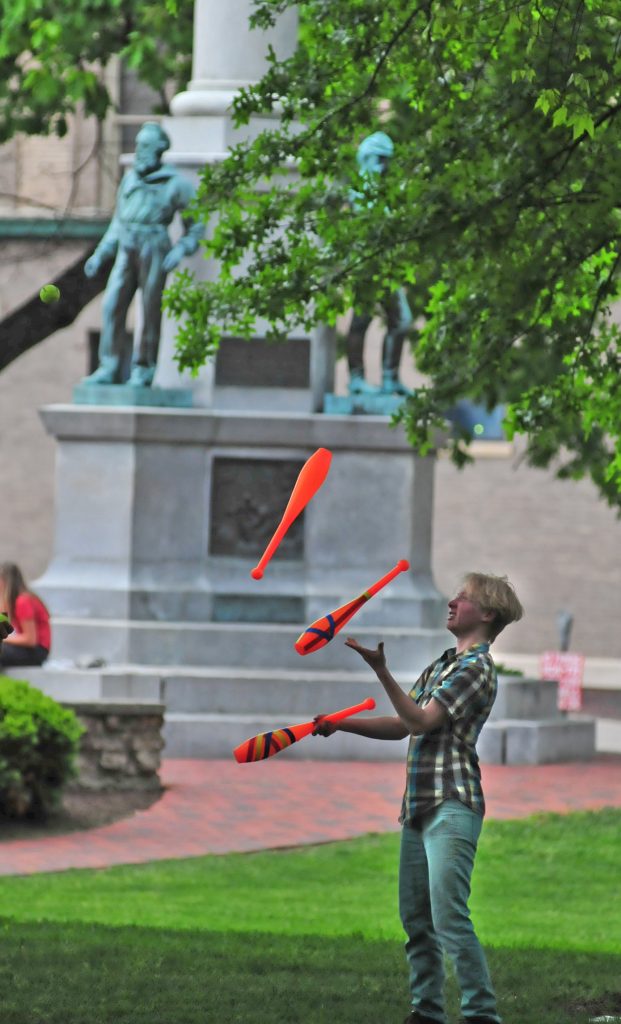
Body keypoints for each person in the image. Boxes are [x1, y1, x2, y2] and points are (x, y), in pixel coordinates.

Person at [313, 572, 524, 1024]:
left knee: (448, 916)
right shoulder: (443, 664)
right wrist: (339, 723)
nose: (451, 602)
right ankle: (426, 1011)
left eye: (462, 599)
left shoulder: (476, 668)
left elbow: (420, 722)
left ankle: (481, 1014)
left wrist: (381, 671)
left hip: (452, 803)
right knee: (416, 920)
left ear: (486, 614)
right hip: (418, 806)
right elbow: (399, 723)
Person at [83, 121, 204, 388]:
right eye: (138, 145)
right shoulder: (129, 180)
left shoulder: (176, 185)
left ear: (159, 150)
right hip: (127, 245)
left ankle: (144, 369)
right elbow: (117, 223)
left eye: (145, 146)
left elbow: (197, 226)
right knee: (112, 305)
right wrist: (101, 254)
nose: (139, 151)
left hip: (155, 245)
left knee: (149, 310)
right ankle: (109, 367)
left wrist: (181, 249)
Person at [346, 131, 414, 397]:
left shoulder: (379, 191)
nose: (384, 167)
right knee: (363, 320)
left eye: (387, 161)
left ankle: (388, 379)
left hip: (384, 267)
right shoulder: (360, 191)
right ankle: (357, 379)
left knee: (399, 320)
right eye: (380, 160)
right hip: (368, 266)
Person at [0, 563, 51, 668]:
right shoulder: (9, 602)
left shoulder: (23, 601)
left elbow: (30, 639)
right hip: (22, 649)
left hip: (36, 651)